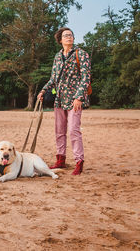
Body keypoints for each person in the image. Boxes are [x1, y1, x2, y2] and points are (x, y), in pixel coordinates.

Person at [37, 27, 91, 175]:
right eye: (66, 35)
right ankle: (61, 159)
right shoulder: (57, 56)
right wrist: (42, 90)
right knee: (59, 131)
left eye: (71, 35)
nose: (69, 37)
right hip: (59, 100)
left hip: (75, 100)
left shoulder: (82, 54)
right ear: (60, 40)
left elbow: (86, 77)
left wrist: (79, 97)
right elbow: (53, 79)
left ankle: (79, 162)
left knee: (74, 130)